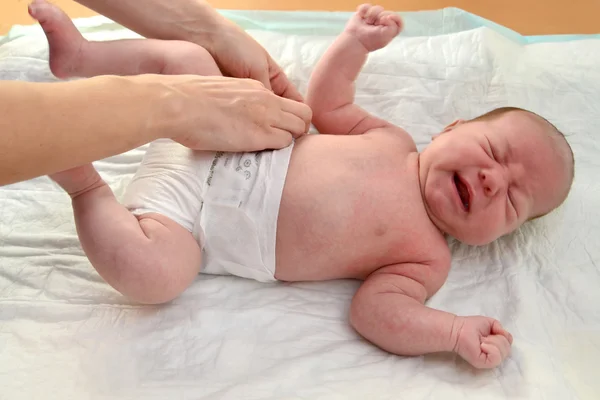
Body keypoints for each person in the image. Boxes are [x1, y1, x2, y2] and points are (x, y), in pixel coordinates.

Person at [36, 2, 574, 369]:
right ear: (452, 128)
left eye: (512, 200)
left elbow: (377, 314)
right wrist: (354, 44)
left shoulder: (425, 258)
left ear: (501, 236)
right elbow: (329, 102)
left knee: (153, 277)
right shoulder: (392, 141)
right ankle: (83, 59)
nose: (490, 180)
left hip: (185, 227)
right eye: (494, 153)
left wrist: (452, 333)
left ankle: (83, 183)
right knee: (192, 59)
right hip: (209, 130)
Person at [0, 0, 311, 186]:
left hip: (224, 202)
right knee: (190, 59)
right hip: (201, 176)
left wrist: (212, 32)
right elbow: (334, 108)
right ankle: (82, 55)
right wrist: (177, 104)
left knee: (159, 273)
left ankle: (81, 58)